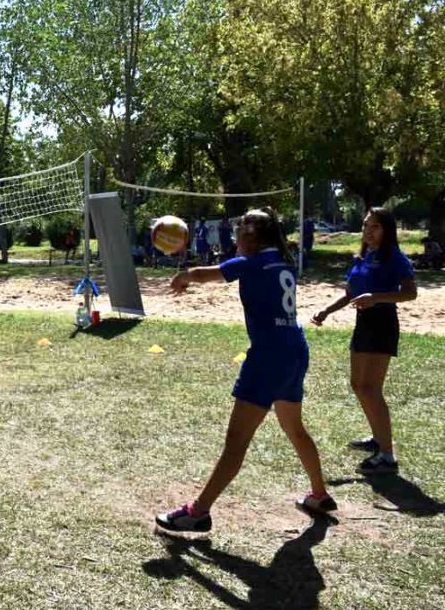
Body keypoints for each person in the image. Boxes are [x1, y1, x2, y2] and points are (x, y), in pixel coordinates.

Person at [156, 208, 335, 533]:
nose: (235, 237)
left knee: (236, 441)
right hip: (295, 350)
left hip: (268, 357)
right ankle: (319, 494)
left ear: (251, 235)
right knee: (295, 429)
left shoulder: (252, 263)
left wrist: (183, 276)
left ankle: (198, 512)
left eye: (239, 231)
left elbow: (204, 274)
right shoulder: (284, 263)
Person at [311, 207, 418, 475]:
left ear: (387, 230)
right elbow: (350, 294)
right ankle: (377, 438)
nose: (368, 231)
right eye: (366, 226)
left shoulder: (394, 257)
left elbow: (410, 293)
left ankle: (387, 456)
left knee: (371, 388)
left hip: (382, 324)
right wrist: (326, 311)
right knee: (359, 385)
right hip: (364, 325)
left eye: (375, 227)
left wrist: (376, 297)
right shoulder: (363, 257)